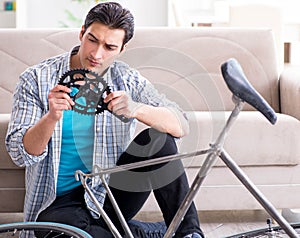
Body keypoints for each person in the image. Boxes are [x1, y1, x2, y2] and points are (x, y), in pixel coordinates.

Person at [6, 2, 204, 238]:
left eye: (109, 47)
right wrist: (51, 118)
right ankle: (143, 233)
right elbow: (20, 153)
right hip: (57, 205)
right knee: (60, 231)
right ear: (82, 33)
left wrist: (136, 108)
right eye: (92, 40)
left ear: (122, 49)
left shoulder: (127, 79)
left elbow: (180, 125)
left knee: (159, 139)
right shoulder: (36, 79)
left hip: (109, 195)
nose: (96, 54)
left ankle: (188, 233)